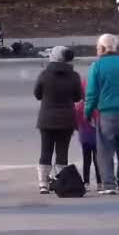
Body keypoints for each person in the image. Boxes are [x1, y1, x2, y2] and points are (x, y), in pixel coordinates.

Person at [84, 34, 119, 195]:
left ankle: (108, 184)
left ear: (103, 48)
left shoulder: (97, 66)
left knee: (105, 150)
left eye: (98, 47)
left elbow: (91, 94)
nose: (97, 50)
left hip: (106, 113)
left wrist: (88, 113)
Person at [33, 46, 83, 193]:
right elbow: (77, 97)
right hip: (67, 119)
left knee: (46, 150)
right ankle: (61, 180)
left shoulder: (44, 74)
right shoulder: (74, 76)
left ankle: (43, 183)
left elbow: (37, 94)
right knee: (62, 151)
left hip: (47, 118)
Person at [74, 80, 101, 192]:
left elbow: (76, 122)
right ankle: (100, 182)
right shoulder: (97, 106)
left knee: (86, 160)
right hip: (96, 137)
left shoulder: (79, 107)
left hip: (84, 137)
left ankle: (86, 182)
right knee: (97, 159)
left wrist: (79, 129)